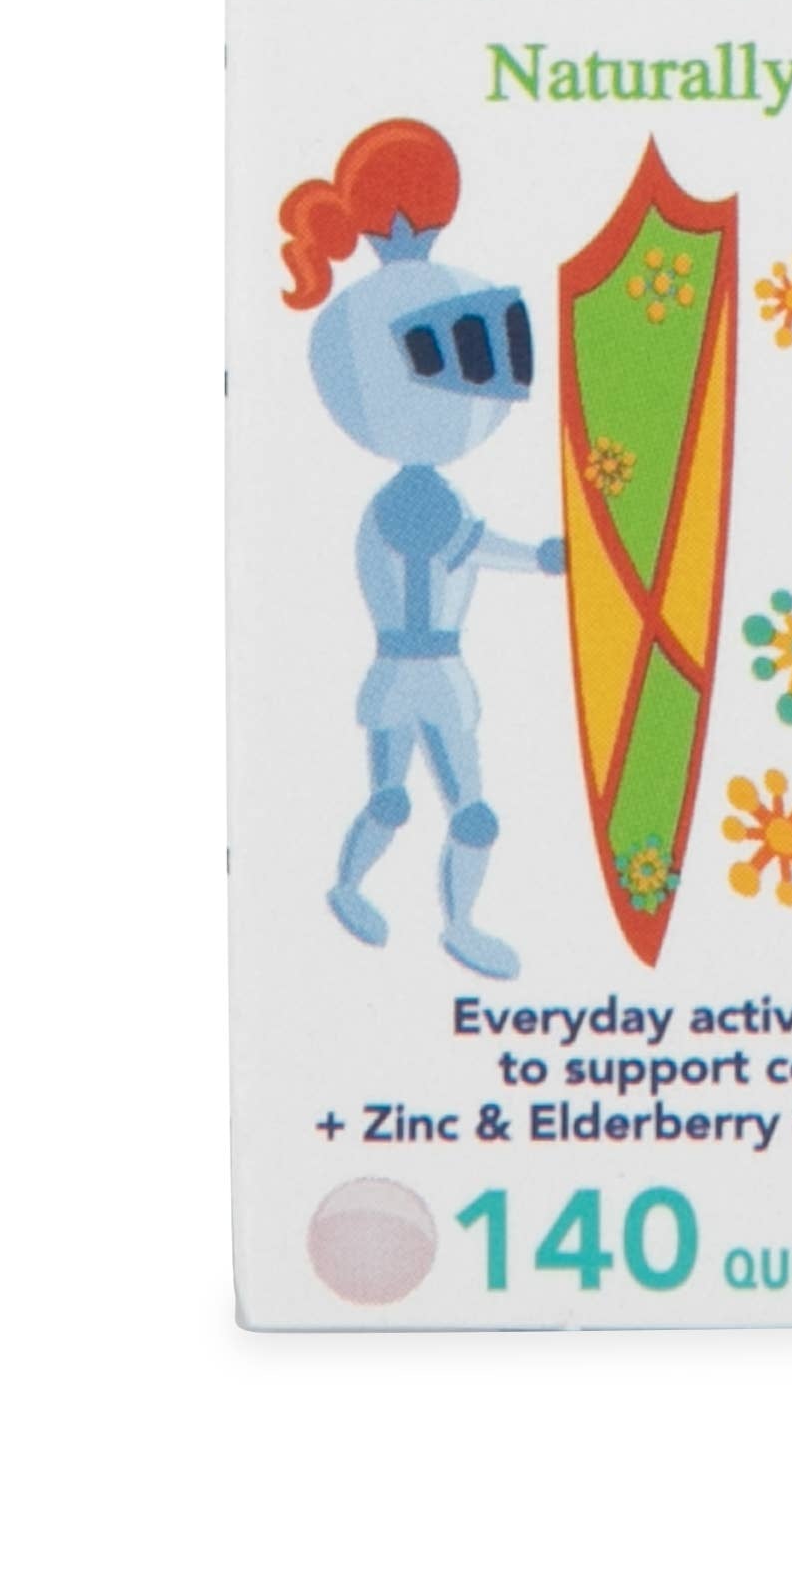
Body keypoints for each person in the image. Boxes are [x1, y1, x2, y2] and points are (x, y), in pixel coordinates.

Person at [277, 119, 561, 980]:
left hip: (399, 670)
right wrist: (545, 558)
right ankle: (457, 921)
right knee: (465, 810)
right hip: (431, 669)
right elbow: (472, 548)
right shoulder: (424, 502)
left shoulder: (395, 500)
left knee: (393, 798)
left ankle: (353, 887)